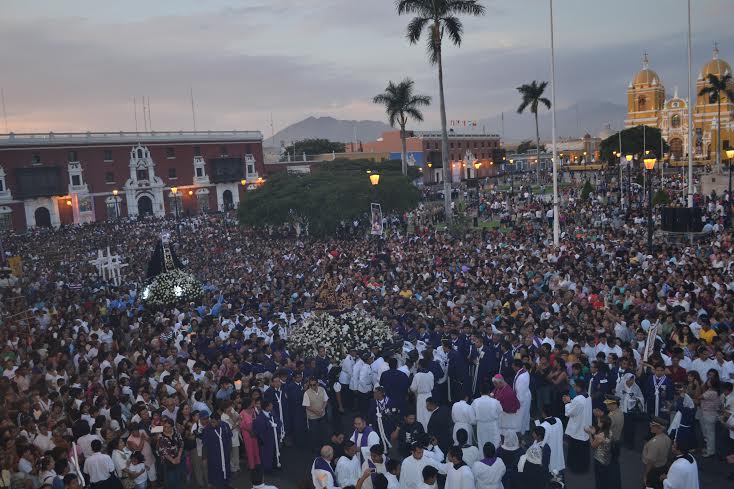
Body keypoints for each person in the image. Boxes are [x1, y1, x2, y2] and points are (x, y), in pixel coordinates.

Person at [563, 379, 592, 473]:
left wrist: (567, 403)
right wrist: (571, 401)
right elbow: (577, 407)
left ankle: (576, 468)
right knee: (584, 451)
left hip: (578, 428)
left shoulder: (578, 399)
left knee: (576, 451)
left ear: (578, 387)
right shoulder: (587, 396)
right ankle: (584, 467)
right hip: (585, 426)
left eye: (575, 386)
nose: (574, 388)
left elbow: (570, 412)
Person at [587, 416, 620, 489]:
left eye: (599, 421)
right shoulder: (610, 432)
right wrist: (594, 433)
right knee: (605, 479)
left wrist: (589, 434)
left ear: (602, 424)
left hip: (599, 460)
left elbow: (593, 445)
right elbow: (601, 439)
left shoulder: (600, 436)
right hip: (607, 458)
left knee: (599, 480)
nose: (597, 422)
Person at [202, 412, 233, 487]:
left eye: (214, 422)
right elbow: (205, 445)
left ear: (219, 420)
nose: (212, 423)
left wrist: (229, 449)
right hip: (214, 456)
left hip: (225, 454)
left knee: (226, 469)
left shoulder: (225, 425)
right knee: (215, 472)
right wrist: (204, 458)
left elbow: (229, 437)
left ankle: (227, 484)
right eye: (211, 421)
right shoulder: (207, 429)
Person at [615, 373, 643, 448]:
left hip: (631, 411)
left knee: (631, 427)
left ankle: (630, 443)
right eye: (630, 379)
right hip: (622, 410)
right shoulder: (621, 386)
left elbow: (641, 397)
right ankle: (622, 441)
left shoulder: (636, 387)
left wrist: (636, 400)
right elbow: (617, 397)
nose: (632, 381)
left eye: (633, 379)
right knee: (622, 427)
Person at [642, 417, 672, 489]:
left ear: (660, 428)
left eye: (653, 426)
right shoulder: (667, 438)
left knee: (650, 486)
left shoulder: (654, 443)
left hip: (653, 470)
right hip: (663, 467)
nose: (651, 427)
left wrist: (646, 475)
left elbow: (650, 462)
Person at [535, 404, 565, 476]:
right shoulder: (558, 420)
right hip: (558, 455)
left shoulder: (544, 426)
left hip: (549, 458)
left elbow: (540, 443)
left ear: (543, 413)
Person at [254, 399, 282, 472]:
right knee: (267, 455)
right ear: (266, 407)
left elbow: (278, 421)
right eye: (270, 405)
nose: (272, 406)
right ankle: (268, 469)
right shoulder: (260, 418)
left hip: (275, 437)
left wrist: (277, 426)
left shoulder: (272, 412)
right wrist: (270, 426)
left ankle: (276, 464)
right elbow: (260, 431)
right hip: (267, 440)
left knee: (275, 452)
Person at [303, 376, 329, 453]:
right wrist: (316, 412)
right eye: (310, 385)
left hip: (322, 415)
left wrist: (322, 409)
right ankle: (316, 449)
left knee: (323, 432)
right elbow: (307, 406)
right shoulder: (307, 393)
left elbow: (325, 400)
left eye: (314, 384)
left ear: (317, 384)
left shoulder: (322, 389)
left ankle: (324, 448)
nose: (312, 386)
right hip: (313, 418)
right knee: (314, 434)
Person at [473, 383, 502, 452]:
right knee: (494, 443)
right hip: (492, 425)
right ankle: (494, 460)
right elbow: (500, 413)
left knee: (482, 444)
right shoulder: (495, 402)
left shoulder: (475, 402)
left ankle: (483, 460)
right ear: (489, 392)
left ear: (480, 392)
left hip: (481, 426)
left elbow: (472, 415)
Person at [157, 417, 184, 487]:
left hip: (178, 458)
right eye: (165, 427)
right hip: (168, 461)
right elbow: (163, 451)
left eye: (169, 427)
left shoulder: (176, 432)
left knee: (179, 477)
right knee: (171, 479)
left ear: (172, 427)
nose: (166, 429)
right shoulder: (161, 437)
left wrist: (179, 457)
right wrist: (172, 460)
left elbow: (181, 444)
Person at [410, 360, 434, 432]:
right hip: (429, 395)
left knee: (421, 415)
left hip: (421, 397)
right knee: (429, 414)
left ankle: (423, 430)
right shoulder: (430, 374)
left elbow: (413, 388)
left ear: (420, 365)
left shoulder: (417, 375)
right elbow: (432, 386)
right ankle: (430, 430)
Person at [239, 396, 262, 471]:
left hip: (253, 432)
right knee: (249, 449)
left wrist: (254, 431)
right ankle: (252, 465)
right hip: (247, 434)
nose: (253, 403)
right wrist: (250, 431)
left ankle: (257, 463)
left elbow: (255, 420)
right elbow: (241, 425)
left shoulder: (253, 410)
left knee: (256, 448)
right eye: (251, 402)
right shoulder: (242, 413)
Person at [512, 359, 532, 435]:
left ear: (517, 367)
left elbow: (520, 391)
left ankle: (520, 432)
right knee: (524, 415)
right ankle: (522, 430)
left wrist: (517, 402)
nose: (512, 367)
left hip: (522, 398)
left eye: (513, 366)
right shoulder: (522, 372)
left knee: (521, 415)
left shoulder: (522, 376)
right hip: (524, 395)